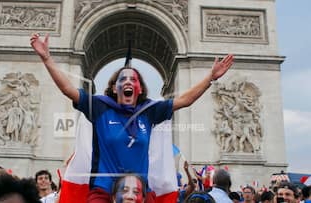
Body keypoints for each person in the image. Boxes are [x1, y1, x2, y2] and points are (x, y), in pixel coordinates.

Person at [30, 33, 234, 202]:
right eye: (122, 78)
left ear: (140, 88)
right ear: (113, 86)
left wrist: (210, 78)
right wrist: (47, 59)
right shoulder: (99, 107)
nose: (128, 81)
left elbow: (185, 100)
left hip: (140, 192)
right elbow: (68, 89)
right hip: (103, 192)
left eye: (133, 79)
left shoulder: (149, 110)